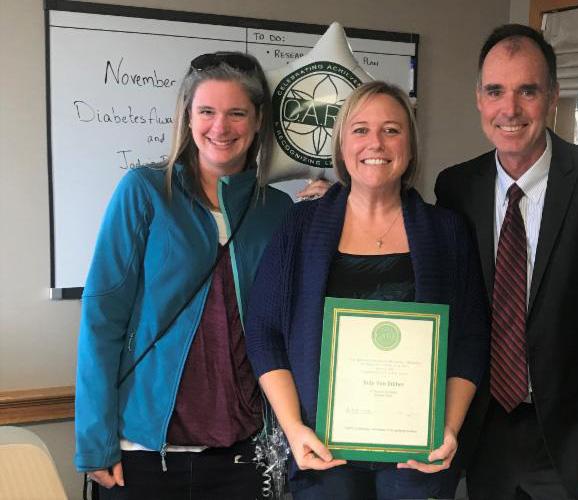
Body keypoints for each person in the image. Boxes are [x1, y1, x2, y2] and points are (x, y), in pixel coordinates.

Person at [435, 24, 578, 500]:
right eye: (495, 91)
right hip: (485, 430)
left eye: (527, 91)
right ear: (478, 97)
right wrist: (337, 200)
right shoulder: (455, 188)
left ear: (553, 96)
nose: (509, 109)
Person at [245, 81, 489, 500]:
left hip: (416, 457)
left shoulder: (446, 231)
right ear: (341, 146)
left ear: (410, 146)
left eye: (392, 130)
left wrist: (447, 427)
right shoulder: (301, 227)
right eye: (360, 130)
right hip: (323, 454)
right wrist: (294, 427)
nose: (375, 142)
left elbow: (470, 337)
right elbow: (263, 331)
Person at [73, 51, 293, 499]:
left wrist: (328, 206)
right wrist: (95, 441)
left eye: (236, 113)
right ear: (187, 118)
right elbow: (102, 318)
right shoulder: (145, 191)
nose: (220, 127)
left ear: (256, 122)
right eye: (206, 111)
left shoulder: (279, 212)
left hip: (242, 454)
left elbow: (289, 327)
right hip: (145, 452)